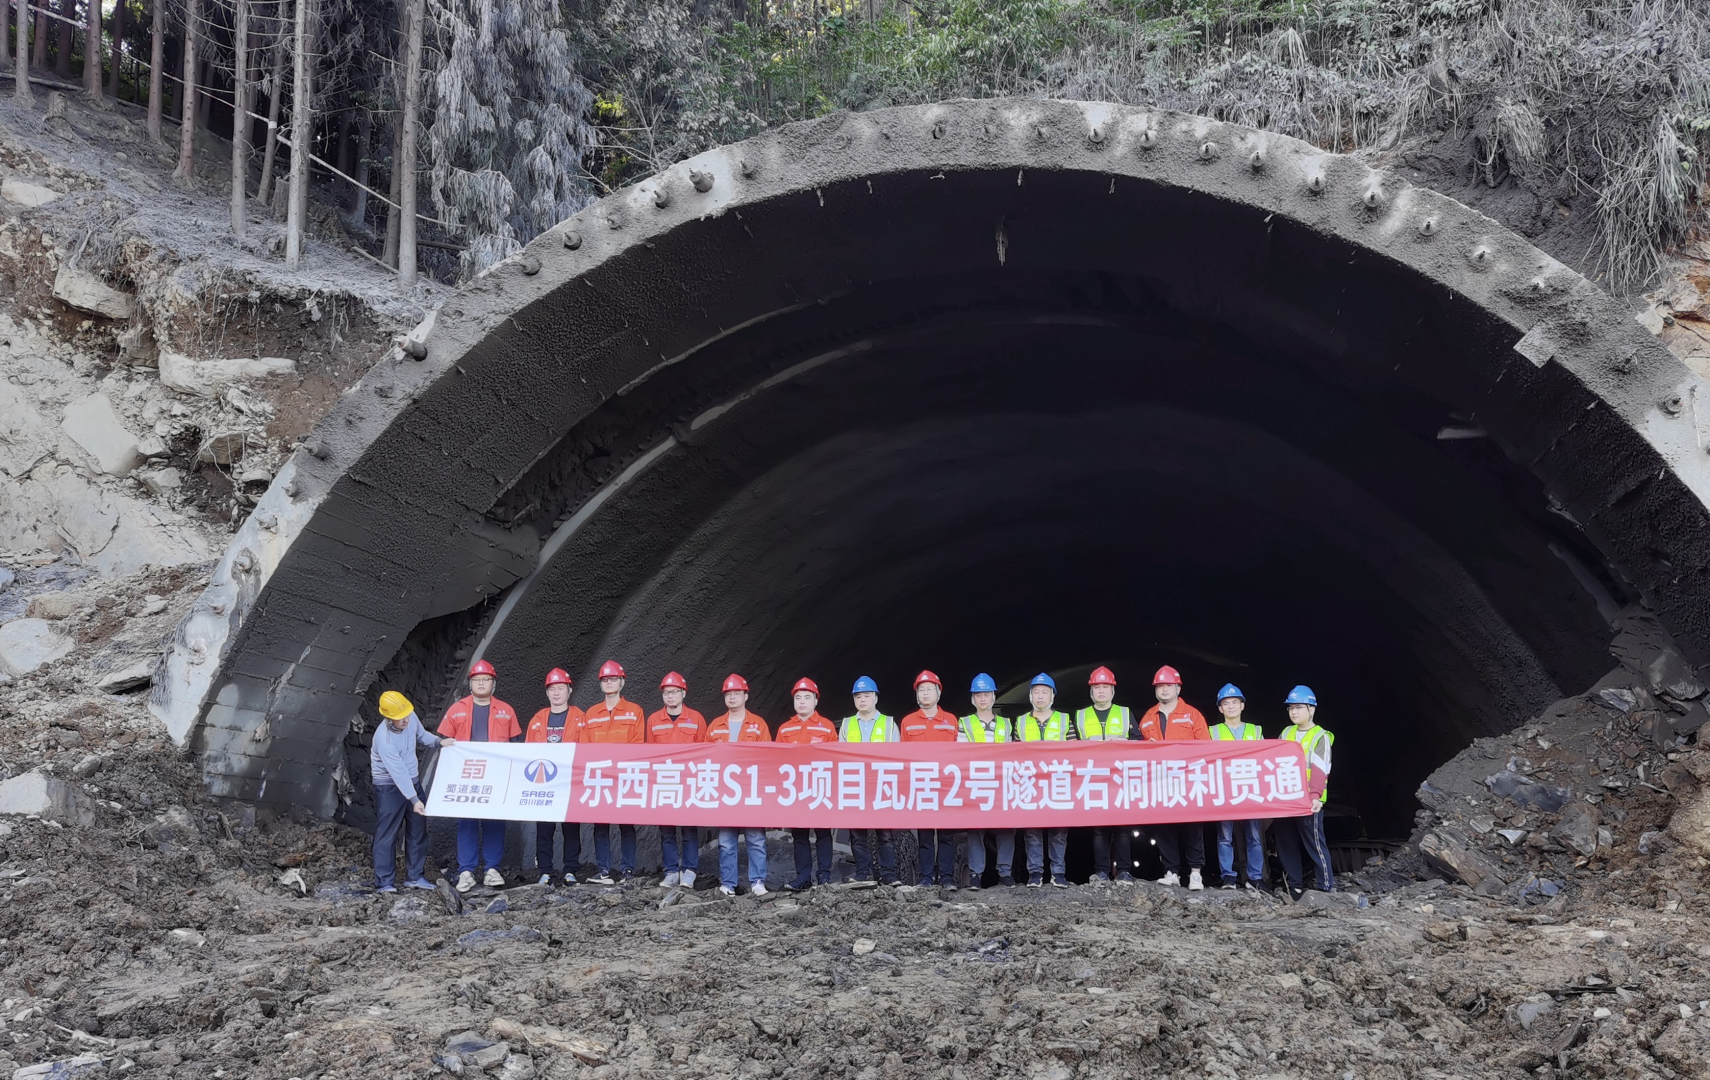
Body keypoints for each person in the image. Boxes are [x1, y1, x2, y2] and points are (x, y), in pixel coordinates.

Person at [436, 659, 522, 892]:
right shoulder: (456, 710)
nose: (481, 683)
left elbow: (516, 745)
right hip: (468, 776)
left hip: (497, 776)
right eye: (477, 680)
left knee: (495, 821)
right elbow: (443, 743)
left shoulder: (506, 710)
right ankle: (467, 872)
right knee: (467, 823)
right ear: (470, 683)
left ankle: (492, 869)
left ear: (494, 684)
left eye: (486, 680)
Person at [371, 690, 453, 892]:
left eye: (407, 715)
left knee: (417, 829)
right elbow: (398, 774)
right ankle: (385, 882)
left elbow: (421, 734)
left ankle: (415, 876)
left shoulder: (408, 715)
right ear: (388, 717)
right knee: (387, 834)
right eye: (400, 719)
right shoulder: (385, 740)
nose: (406, 721)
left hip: (412, 782)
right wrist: (415, 800)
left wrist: (438, 742)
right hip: (389, 787)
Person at [1137, 665, 1210, 890]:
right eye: (1160, 686)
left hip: (1188, 780)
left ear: (1178, 688)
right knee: (1164, 827)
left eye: (1169, 685)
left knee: (1192, 827)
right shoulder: (1148, 717)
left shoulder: (1193, 715)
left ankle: (1195, 872)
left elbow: (1206, 747)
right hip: (1160, 781)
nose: (1164, 690)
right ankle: (1171, 871)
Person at [579, 660, 646, 884]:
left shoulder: (634, 711)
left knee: (626, 825)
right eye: (605, 680)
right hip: (601, 778)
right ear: (600, 684)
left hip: (625, 776)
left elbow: (638, 743)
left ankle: (628, 871)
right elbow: (585, 746)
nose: (609, 683)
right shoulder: (591, 713)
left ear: (622, 682)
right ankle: (604, 871)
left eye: (613, 679)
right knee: (600, 826)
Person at [708, 674, 772, 897]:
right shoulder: (715, 726)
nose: (732, 697)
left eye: (736, 693)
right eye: (728, 694)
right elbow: (706, 758)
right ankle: (728, 883)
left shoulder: (758, 724)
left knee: (755, 839)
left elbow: (768, 757)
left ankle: (757, 882)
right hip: (726, 793)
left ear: (746, 695)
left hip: (751, 791)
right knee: (726, 841)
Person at [900, 670, 961, 888]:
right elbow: (903, 757)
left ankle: (946, 877)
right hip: (921, 784)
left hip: (946, 786)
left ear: (938, 693)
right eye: (921, 690)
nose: (925, 694)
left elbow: (961, 754)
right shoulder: (907, 722)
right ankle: (926, 877)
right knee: (924, 836)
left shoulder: (952, 720)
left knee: (946, 836)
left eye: (929, 689)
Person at [775, 677, 837, 890]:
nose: (802, 701)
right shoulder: (784, 729)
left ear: (815, 701)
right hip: (796, 789)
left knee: (822, 832)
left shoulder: (827, 727)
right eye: (798, 697)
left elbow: (835, 758)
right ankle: (803, 877)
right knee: (799, 835)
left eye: (807, 697)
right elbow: (777, 760)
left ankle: (824, 876)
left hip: (820, 786)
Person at [1275, 685, 1336, 900]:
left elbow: (1320, 768)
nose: (1294, 712)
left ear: (1312, 709)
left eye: (1299, 707)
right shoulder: (1286, 732)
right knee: (1286, 842)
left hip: (1309, 800)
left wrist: (1315, 796)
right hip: (1287, 798)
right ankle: (1295, 886)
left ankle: (1325, 886)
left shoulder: (1320, 736)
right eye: (1291, 708)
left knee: (1315, 843)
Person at [525, 668, 585, 885]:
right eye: (552, 689)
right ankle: (545, 870)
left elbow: (587, 749)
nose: (556, 693)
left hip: (570, 781)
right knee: (544, 828)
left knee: (571, 827)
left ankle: (571, 870)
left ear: (569, 690)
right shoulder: (538, 719)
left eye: (560, 688)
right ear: (547, 693)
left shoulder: (580, 718)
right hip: (545, 782)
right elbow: (528, 751)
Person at [648, 671, 707, 889]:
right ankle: (671, 871)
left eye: (674, 692)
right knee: (666, 832)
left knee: (689, 831)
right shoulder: (654, 719)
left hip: (689, 782)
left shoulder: (696, 718)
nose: (670, 696)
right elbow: (650, 753)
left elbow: (704, 751)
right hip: (665, 782)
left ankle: (689, 871)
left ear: (683, 693)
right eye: (666, 692)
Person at [840, 676, 900, 886]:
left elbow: (896, 757)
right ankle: (863, 872)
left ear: (875, 698)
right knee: (857, 834)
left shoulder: (889, 723)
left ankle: (888, 873)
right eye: (858, 696)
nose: (862, 700)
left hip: (881, 785)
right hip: (856, 786)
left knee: (885, 834)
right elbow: (841, 756)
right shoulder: (847, 724)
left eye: (867, 695)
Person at [1075, 666, 1133, 883]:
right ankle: (1101, 871)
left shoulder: (1125, 713)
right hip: (1095, 777)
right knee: (1099, 828)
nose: (1101, 691)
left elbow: (1139, 741)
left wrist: (1125, 742)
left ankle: (1124, 870)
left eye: (1105, 687)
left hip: (1120, 777)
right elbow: (1070, 747)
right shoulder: (1081, 715)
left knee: (1123, 827)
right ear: (1091, 692)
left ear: (1112, 691)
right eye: (1097, 687)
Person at [959, 672, 1015, 888]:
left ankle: (1005, 872)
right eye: (978, 695)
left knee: (1006, 828)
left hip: (1001, 782)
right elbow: (960, 752)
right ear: (973, 699)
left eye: (986, 694)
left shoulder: (1006, 724)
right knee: (975, 829)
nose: (982, 699)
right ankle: (975, 874)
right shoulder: (964, 723)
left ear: (994, 697)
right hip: (976, 780)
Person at [1017, 673, 1072, 889]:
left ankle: (1058, 873)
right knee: (1032, 831)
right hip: (1030, 781)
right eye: (1036, 692)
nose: (1040, 696)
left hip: (1057, 780)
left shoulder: (1065, 720)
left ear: (1053, 696)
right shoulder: (1020, 722)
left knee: (1059, 831)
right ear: (1030, 696)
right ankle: (1035, 873)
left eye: (1045, 692)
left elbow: (1074, 751)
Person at [1210, 684, 1265, 891]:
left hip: (1250, 789)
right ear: (1220, 708)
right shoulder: (1213, 731)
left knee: (1254, 837)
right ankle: (1228, 877)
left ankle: (1255, 878)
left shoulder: (1256, 730)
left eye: (1235, 702)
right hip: (1225, 790)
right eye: (1226, 703)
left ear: (1242, 705)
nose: (1231, 706)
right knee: (1225, 836)